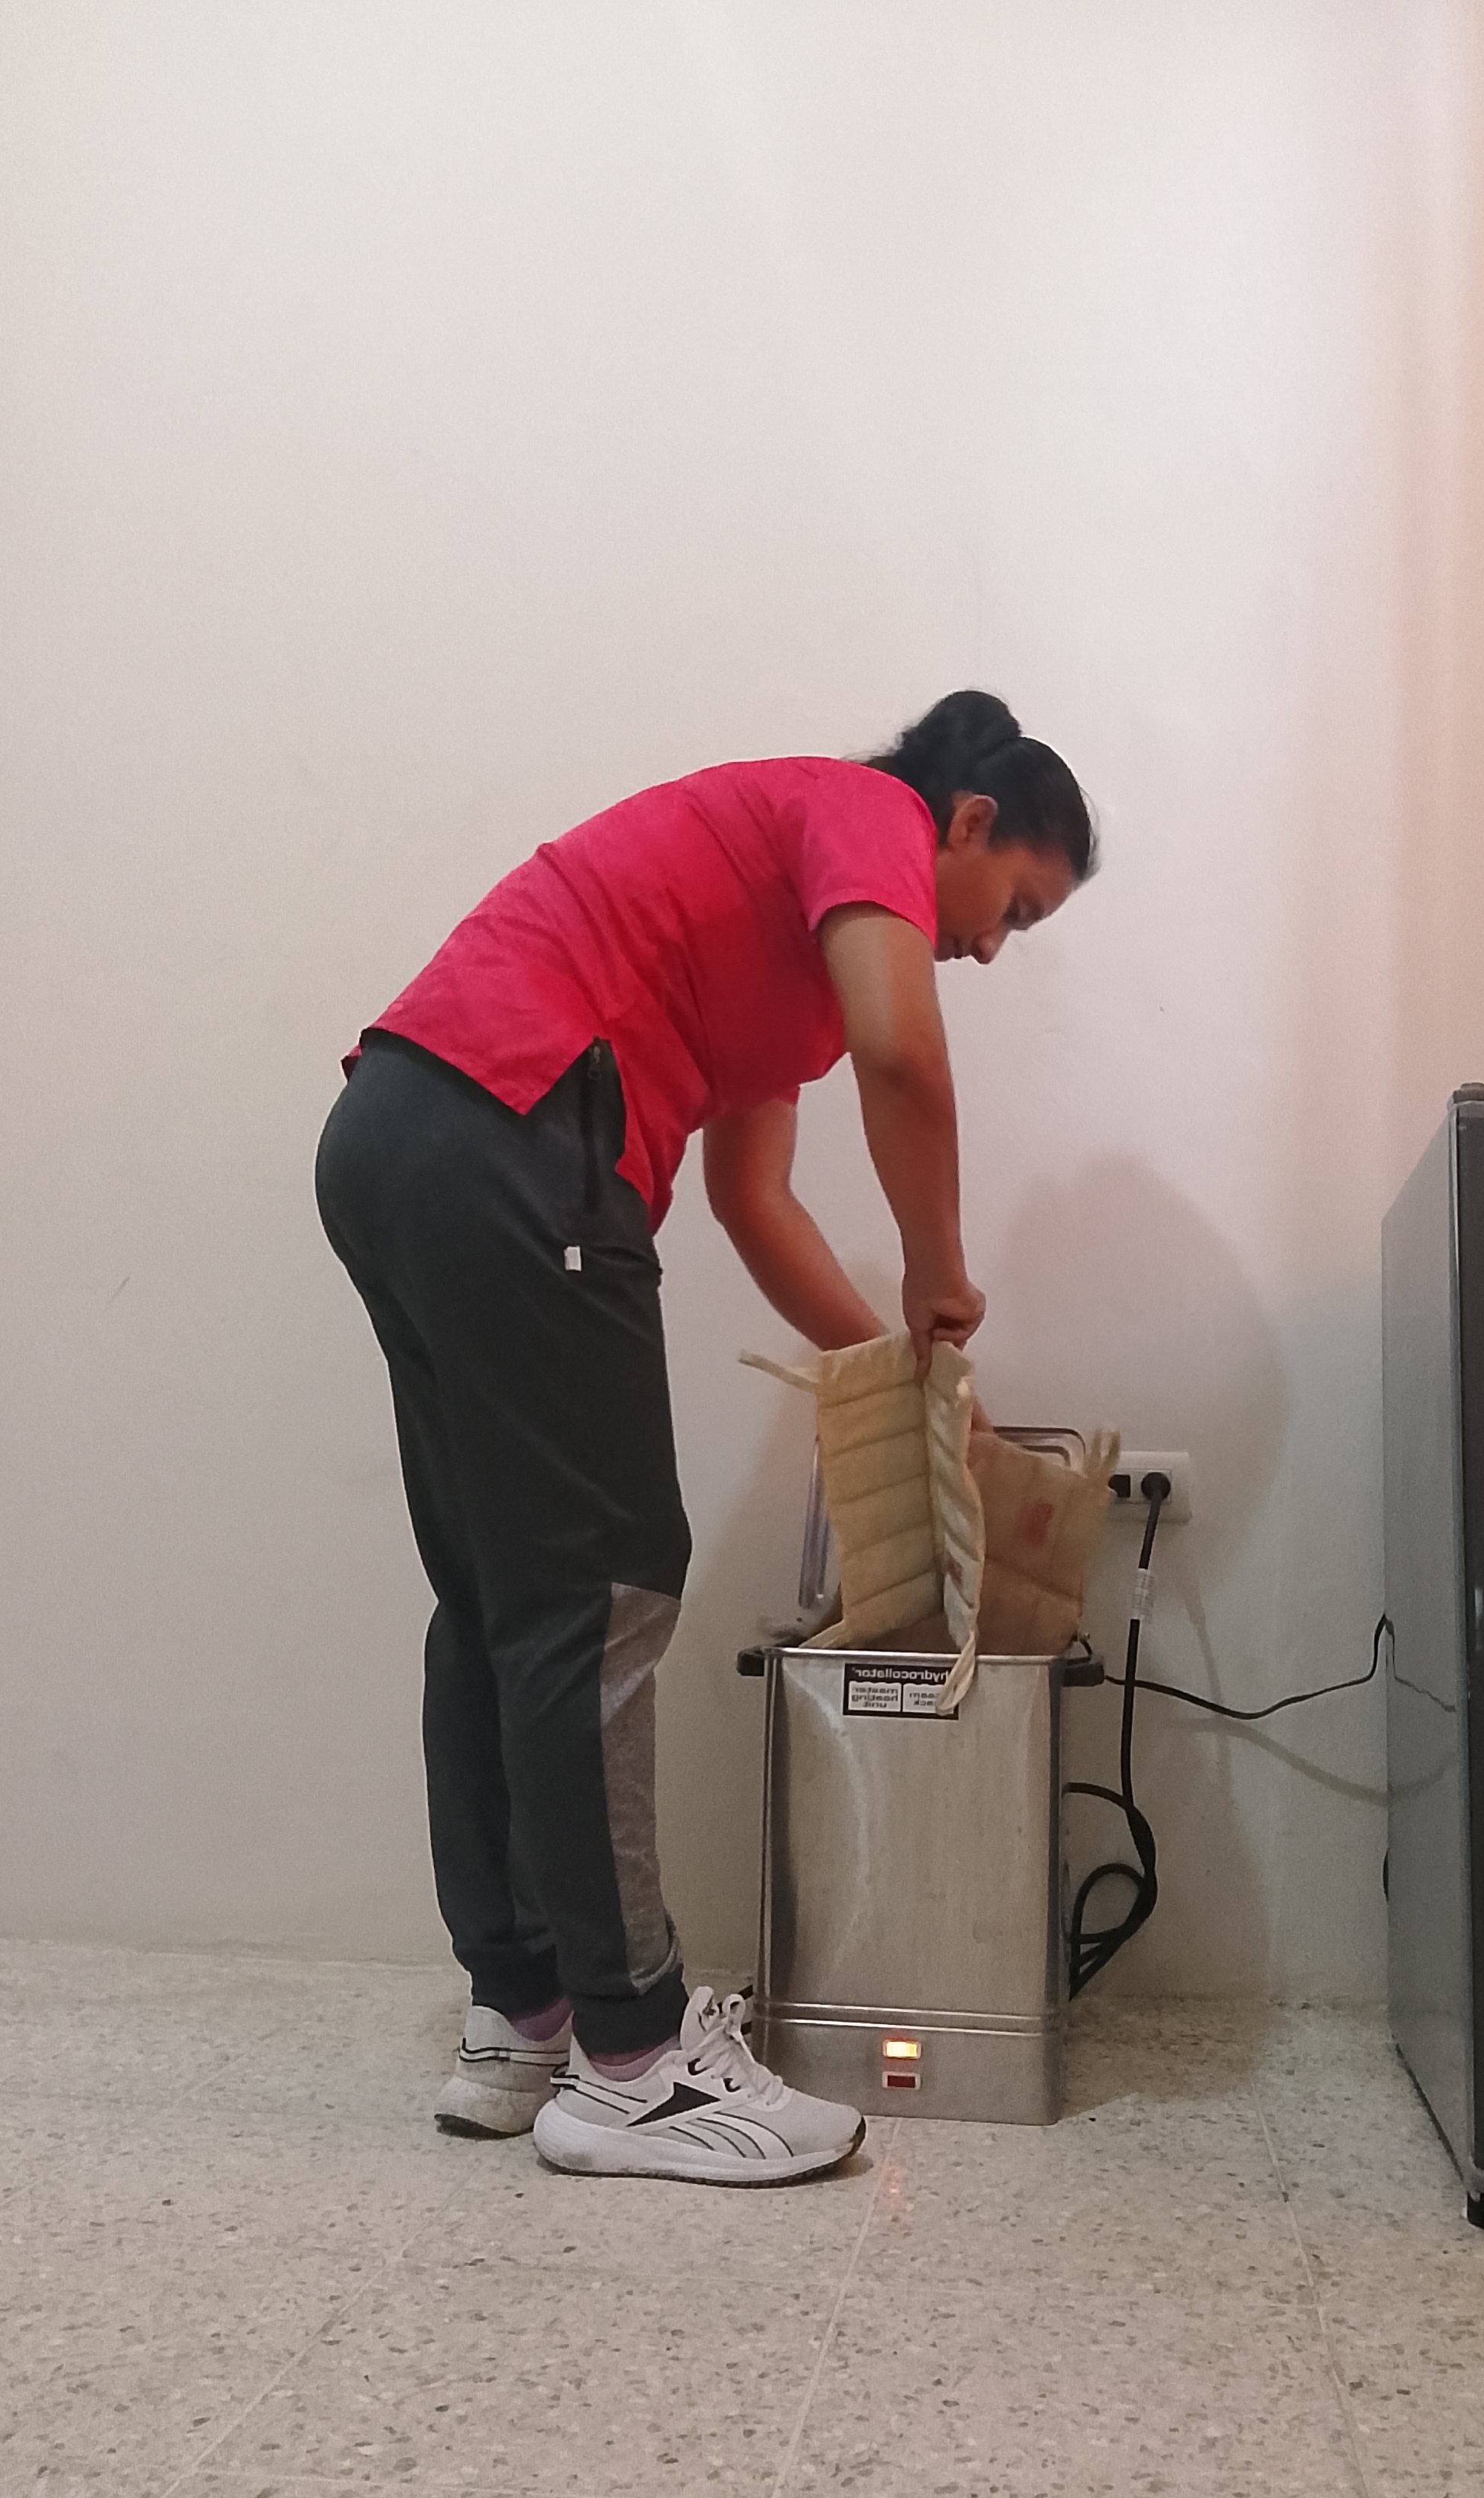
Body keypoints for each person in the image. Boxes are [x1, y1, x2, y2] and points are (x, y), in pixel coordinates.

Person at [314, 690, 1096, 2183]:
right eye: (1016, 910)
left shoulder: (779, 933)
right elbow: (908, 1057)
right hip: (523, 1125)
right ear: (971, 821)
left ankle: (524, 2013)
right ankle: (635, 2059)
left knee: (500, 1595)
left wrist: (912, 1375)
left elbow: (755, 1202)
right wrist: (940, 1268)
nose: (995, 948)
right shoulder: (864, 814)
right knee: (604, 1587)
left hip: (399, 1131)